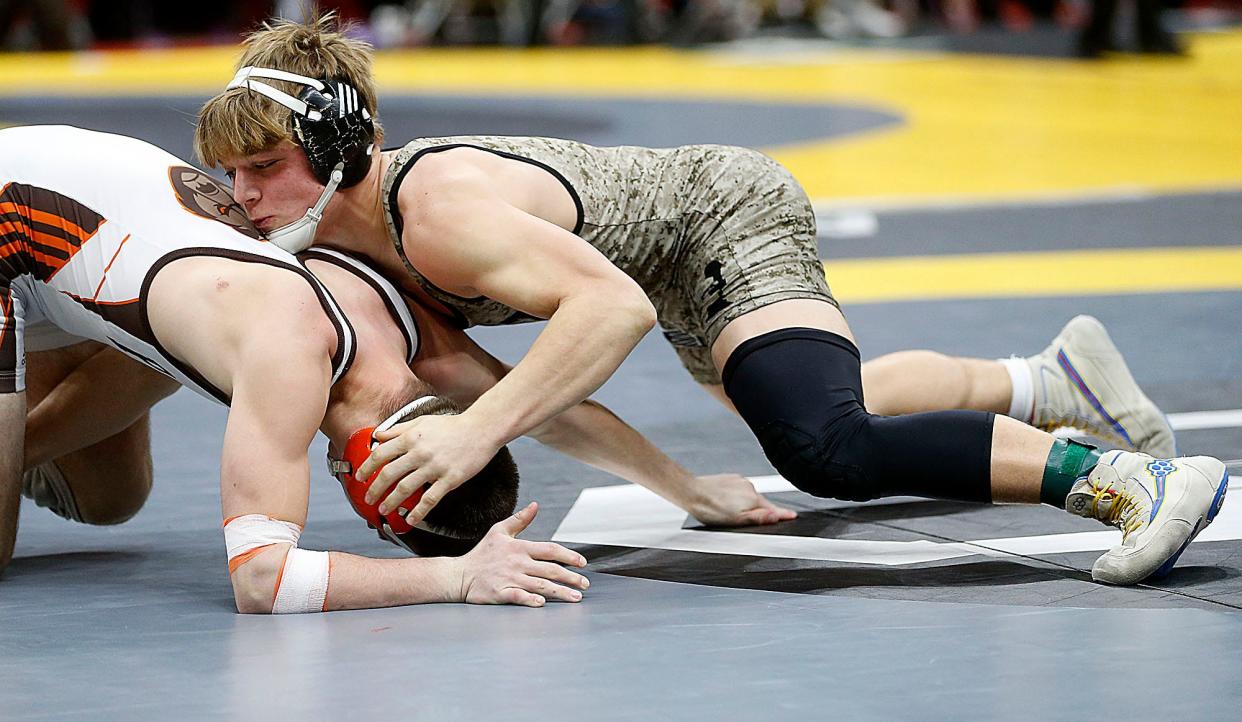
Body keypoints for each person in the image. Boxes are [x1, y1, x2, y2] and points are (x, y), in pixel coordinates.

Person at [194, 14, 1229, 586]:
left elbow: (609, 316)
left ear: (338, 146)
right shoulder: (368, 253)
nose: (244, 195)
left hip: (716, 216)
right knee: (813, 400)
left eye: (266, 165)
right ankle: (1048, 380)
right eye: (232, 172)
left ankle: (1122, 482)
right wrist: (686, 486)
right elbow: (543, 391)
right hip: (665, 259)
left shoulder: (440, 214)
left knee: (822, 443)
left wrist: (469, 441)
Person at [0, 124, 591, 613]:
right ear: (366, 485)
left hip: (73, 211)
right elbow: (263, 582)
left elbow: (558, 406)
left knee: (109, 498)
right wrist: (457, 578)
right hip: (17, 219)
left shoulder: (400, 327)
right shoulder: (288, 352)